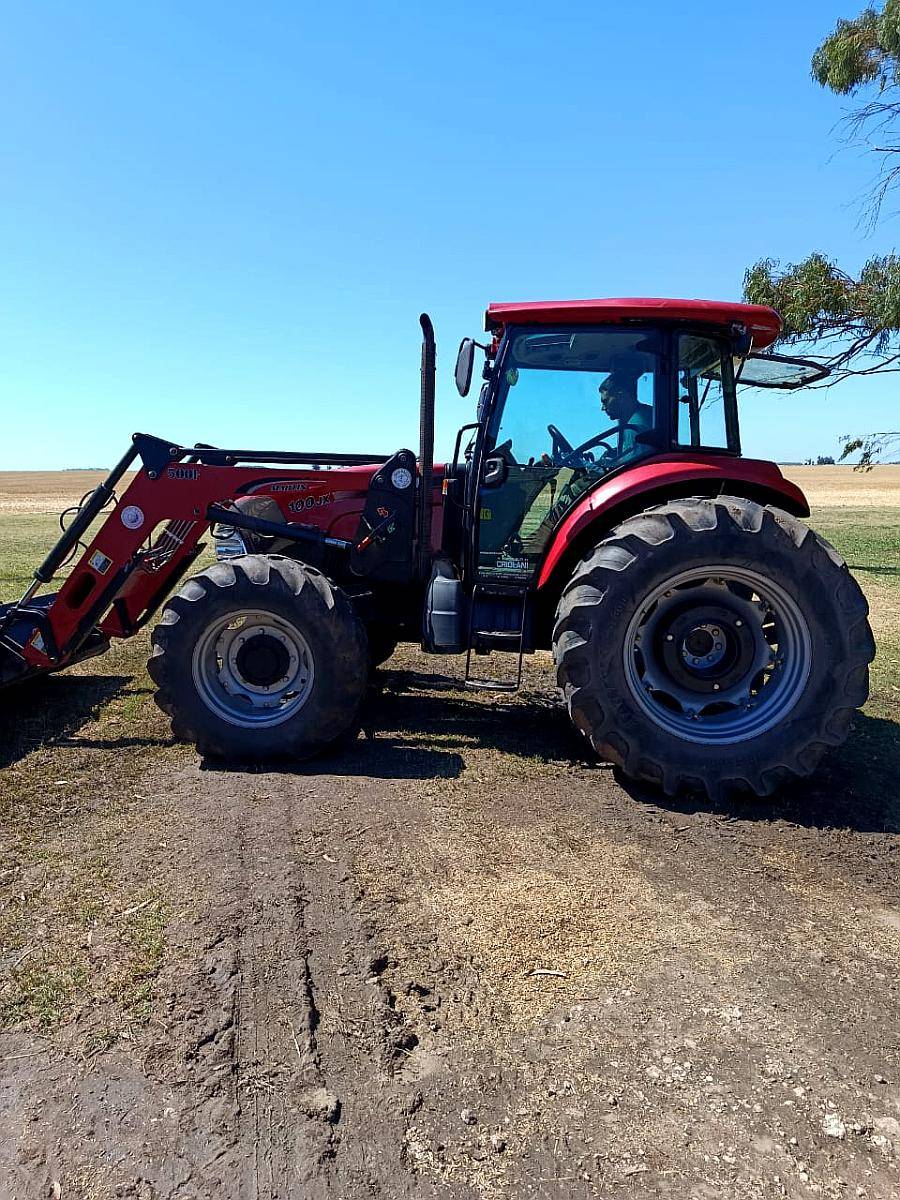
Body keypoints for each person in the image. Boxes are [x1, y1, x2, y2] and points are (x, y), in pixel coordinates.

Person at [597, 370, 653, 460]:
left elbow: (633, 466)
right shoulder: (648, 413)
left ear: (620, 397)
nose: (603, 408)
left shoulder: (634, 427)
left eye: (605, 401)